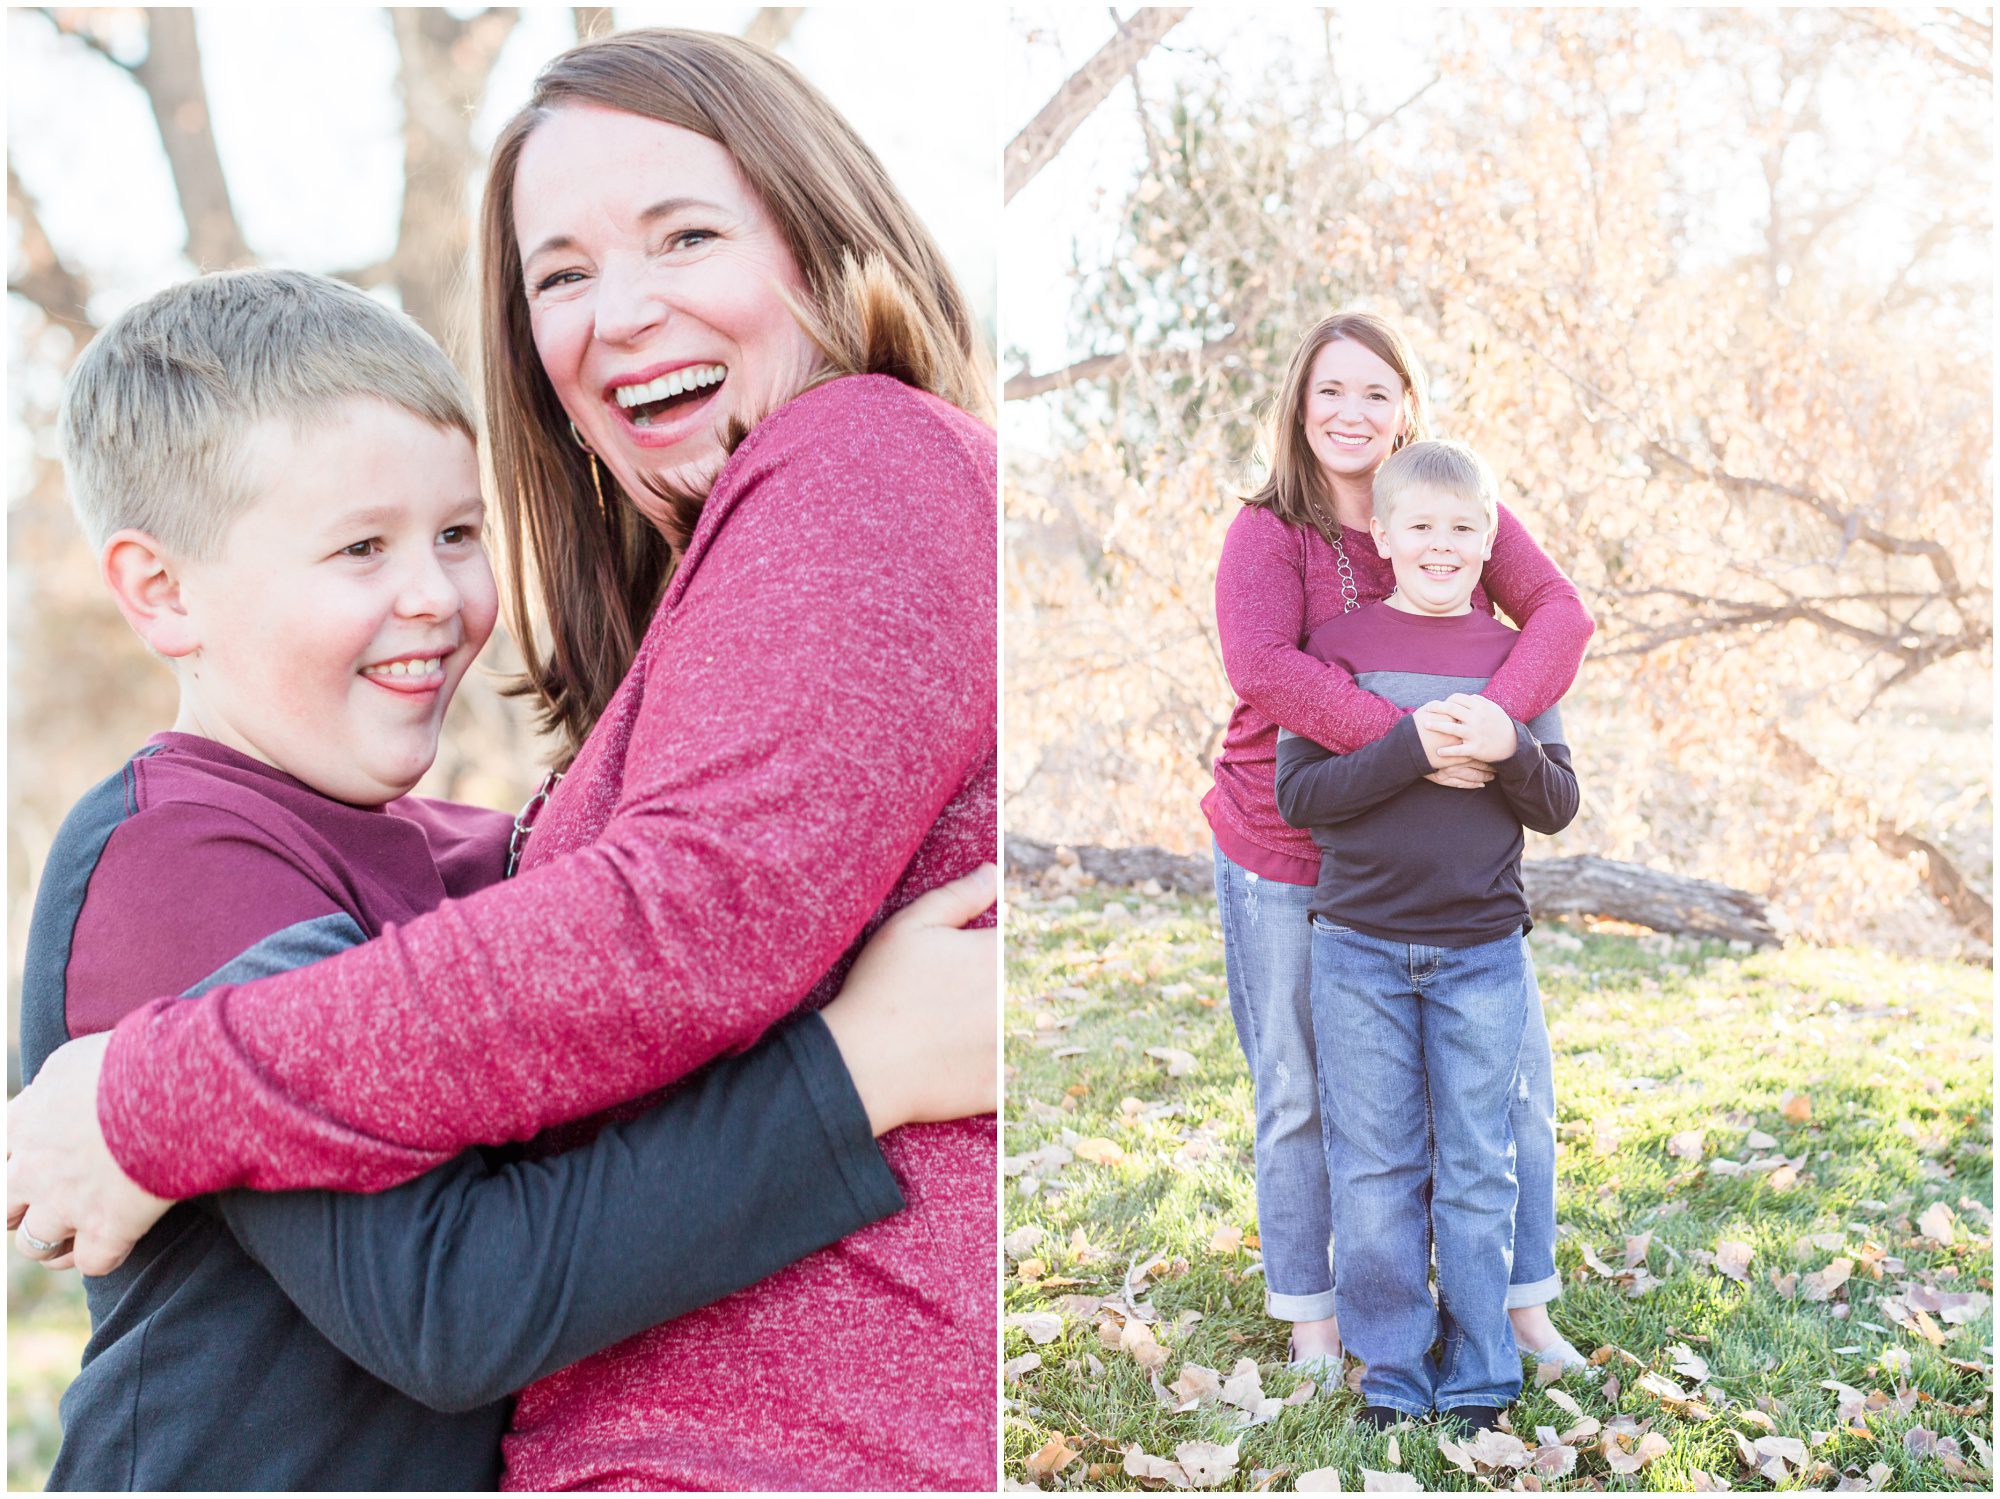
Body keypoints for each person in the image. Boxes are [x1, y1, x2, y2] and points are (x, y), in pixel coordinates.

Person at [9, 29, 999, 1491]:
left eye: (457, 535)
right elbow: (450, 1295)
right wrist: (860, 1069)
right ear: (160, 591)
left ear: (816, 227)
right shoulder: (175, 857)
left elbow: (648, 909)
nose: (434, 595)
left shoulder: (464, 849)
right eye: (359, 547)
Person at [1202, 311, 1593, 1377]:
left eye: (1375, 392)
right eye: (1330, 390)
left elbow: (1558, 612)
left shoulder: (1444, 499)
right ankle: (1315, 1319)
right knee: (1301, 1090)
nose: (1351, 412)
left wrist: (1493, 724)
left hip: (1446, 864)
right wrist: (1419, 742)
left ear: (1405, 405)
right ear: (1297, 402)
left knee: (1510, 1088)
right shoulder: (1266, 530)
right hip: (1286, 835)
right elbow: (1266, 670)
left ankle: (1515, 1308)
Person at [1273, 439, 1580, 1429]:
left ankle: (1483, 1360)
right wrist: (1406, 746)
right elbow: (1301, 796)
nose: (1441, 545)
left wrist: (1507, 747)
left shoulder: (1512, 659)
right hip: (1355, 946)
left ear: (1488, 537)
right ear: (1385, 536)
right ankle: (1395, 1361)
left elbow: (1558, 803)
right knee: (1373, 1164)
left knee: (1478, 1161)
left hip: (1481, 950)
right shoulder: (1337, 649)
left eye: (1462, 528)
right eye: (1421, 527)